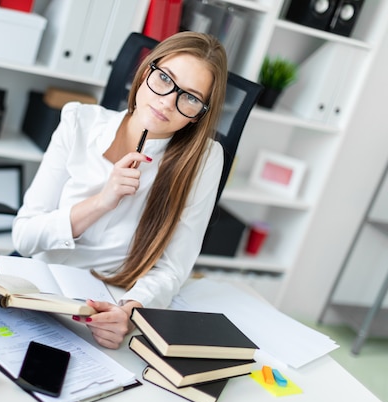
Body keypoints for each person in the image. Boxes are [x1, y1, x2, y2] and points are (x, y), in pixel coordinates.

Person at [12, 32, 228, 349]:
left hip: (114, 300)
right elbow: (24, 237)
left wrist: (128, 311)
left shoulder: (204, 160)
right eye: (165, 79)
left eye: (191, 98)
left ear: (200, 114)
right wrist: (102, 202)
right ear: (145, 73)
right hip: (44, 288)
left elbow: (171, 268)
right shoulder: (78, 121)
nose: (168, 101)